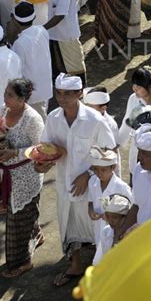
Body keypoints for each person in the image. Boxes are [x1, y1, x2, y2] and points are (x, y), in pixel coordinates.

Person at [37, 73, 116, 286]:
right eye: (59, 93)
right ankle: (75, 265)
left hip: (93, 185)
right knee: (68, 224)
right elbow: (47, 147)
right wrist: (43, 162)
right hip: (65, 184)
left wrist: (87, 174)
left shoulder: (95, 120)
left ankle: (104, 269)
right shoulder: (53, 118)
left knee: (99, 226)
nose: (62, 98)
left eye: (68, 94)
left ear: (80, 94)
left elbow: (109, 151)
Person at [0, 79, 45, 277]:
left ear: (23, 99)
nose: (5, 98)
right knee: (24, 214)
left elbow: (41, 148)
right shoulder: (4, 111)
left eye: (10, 95)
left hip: (26, 177)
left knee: (17, 219)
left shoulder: (32, 119)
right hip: (7, 174)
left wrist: (14, 154)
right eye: (5, 93)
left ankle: (22, 262)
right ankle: (37, 234)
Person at [44, 0, 86, 86]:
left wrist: (41, 29)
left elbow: (60, 15)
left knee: (74, 66)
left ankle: (79, 90)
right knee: (59, 65)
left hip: (66, 35)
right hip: (56, 34)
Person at [11, 0, 52, 121]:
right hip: (45, 87)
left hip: (32, 94)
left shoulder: (19, 43)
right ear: (34, 16)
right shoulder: (42, 31)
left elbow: (16, 70)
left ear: (15, 20)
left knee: (37, 126)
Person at [87, 146, 131, 252]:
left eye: (103, 170)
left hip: (116, 231)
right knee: (101, 250)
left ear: (113, 167)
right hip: (98, 228)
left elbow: (131, 208)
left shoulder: (121, 187)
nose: (99, 173)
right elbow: (91, 200)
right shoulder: (93, 181)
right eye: (96, 169)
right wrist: (91, 210)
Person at [92, 194, 131, 265]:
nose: (110, 220)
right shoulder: (106, 231)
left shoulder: (132, 234)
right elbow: (100, 259)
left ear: (125, 217)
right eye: (107, 216)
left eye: (115, 217)